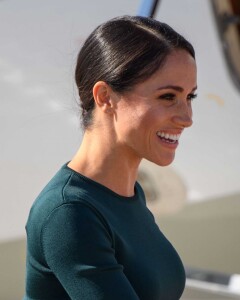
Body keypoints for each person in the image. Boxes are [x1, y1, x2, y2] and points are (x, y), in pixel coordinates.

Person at [24, 15, 197, 300]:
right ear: (105, 96)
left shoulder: (128, 193)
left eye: (190, 97)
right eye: (168, 97)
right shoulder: (69, 213)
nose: (187, 118)